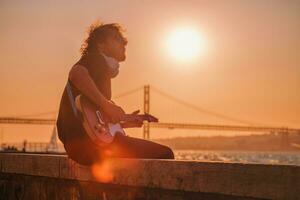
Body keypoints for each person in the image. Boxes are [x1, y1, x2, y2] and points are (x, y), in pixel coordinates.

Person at [56, 22, 174, 166]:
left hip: (80, 147)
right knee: (165, 154)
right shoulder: (96, 59)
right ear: (101, 44)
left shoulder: (99, 70)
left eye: (123, 40)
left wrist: (123, 122)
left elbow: (91, 120)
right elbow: (76, 73)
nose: (123, 42)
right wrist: (107, 105)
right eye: (116, 39)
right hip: (90, 145)